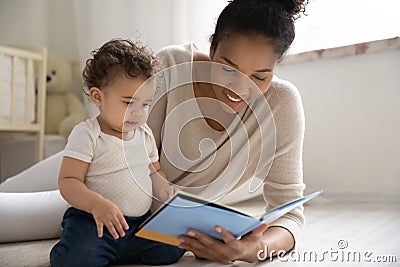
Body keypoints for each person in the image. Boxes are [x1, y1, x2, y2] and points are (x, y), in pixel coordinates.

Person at [0, 0, 308, 264]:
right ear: (212, 48)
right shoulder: (169, 66)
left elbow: (290, 212)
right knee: (8, 207)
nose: (240, 88)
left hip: (141, 215)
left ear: (276, 69)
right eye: (228, 68)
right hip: (97, 166)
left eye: (260, 76)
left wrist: (252, 248)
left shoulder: (282, 106)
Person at [49, 39, 185, 266]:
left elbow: (154, 171)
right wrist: (96, 205)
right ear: (98, 97)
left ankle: (119, 251)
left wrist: (166, 191)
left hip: (137, 224)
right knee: (80, 257)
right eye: (129, 103)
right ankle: (70, 247)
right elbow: (68, 181)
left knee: (174, 245)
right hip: (94, 221)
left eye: (145, 104)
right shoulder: (88, 134)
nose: (139, 113)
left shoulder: (144, 134)